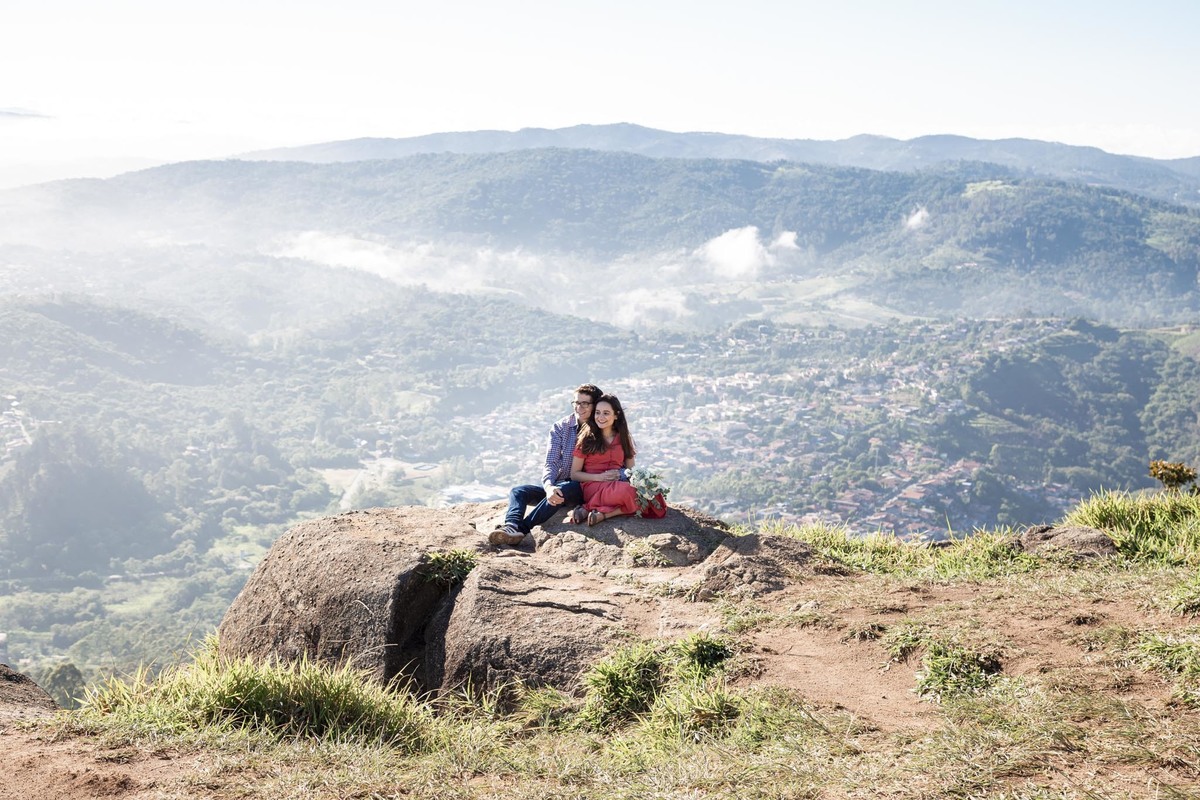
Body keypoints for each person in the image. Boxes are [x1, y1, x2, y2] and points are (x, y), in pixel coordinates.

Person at [489, 383, 603, 546]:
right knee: (518, 491)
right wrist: (549, 487)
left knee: (564, 488)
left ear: (595, 405)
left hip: (583, 487)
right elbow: (551, 462)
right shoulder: (560, 427)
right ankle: (511, 525)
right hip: (559, 486)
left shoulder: (600, 428)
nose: (579, 408)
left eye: (585, 403)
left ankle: (522, 528)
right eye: (577, 403)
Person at [570, 394, 639, 526]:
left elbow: (632, 471)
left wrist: (622, 475)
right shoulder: (586, 438)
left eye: (606, 413)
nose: (600, 417)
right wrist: (600, 477)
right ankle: (591, 507)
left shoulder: (623, 438)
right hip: (593, 485)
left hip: (617, 484)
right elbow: (574, 474)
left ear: (616, 415)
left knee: (649, 494)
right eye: (597, 412)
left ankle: (603, 514)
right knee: (629, 492)